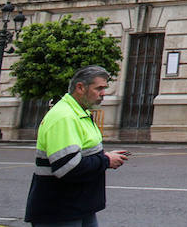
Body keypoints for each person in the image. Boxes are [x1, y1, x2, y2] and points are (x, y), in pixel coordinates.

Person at [25, 66, 129, 227]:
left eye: (104, 88)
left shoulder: (80, 113)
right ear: (80, 87)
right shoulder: (64, 117)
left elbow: (82, 153)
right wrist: (106, 161)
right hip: (60, 211)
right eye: (99, 88)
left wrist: (105, 157)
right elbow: (67, 167)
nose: (103, 93)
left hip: (79, 206)